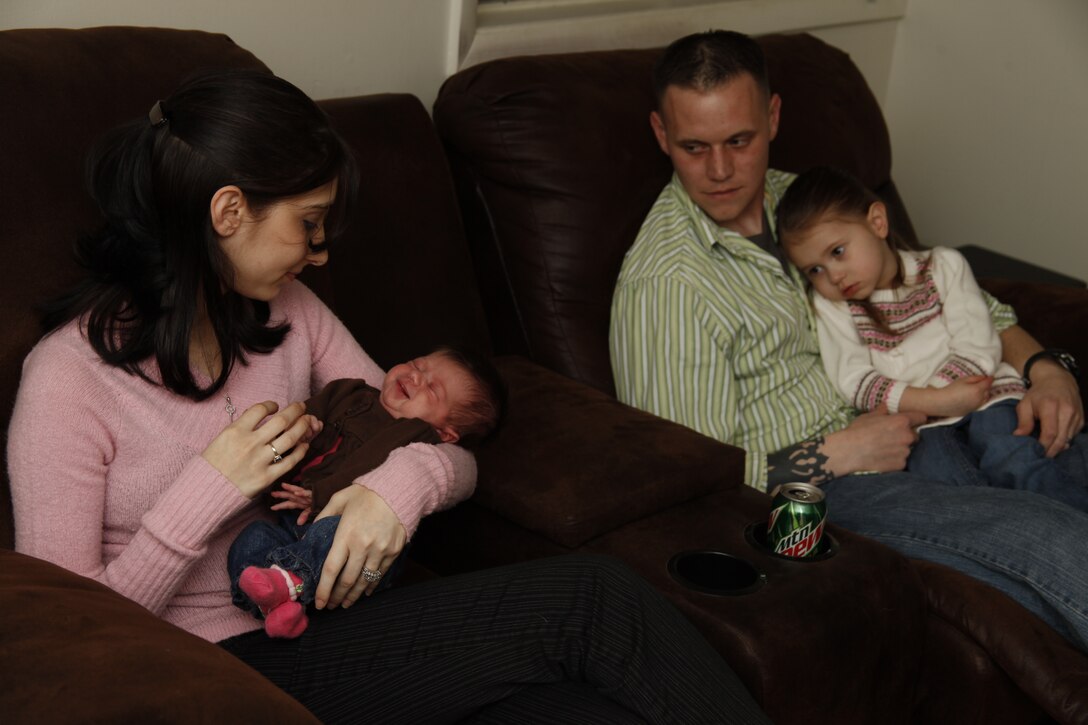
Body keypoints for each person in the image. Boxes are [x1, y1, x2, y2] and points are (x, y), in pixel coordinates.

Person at [8, 69, 772, 723]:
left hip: (328, 630)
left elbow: (444, 448)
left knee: (585, 712)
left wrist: (401, 486)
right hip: (212, 672)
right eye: (307, 225)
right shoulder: (68, 381)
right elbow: (68, 642)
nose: (321, 252)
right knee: (591, 597)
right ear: (229, 212)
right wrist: (206, 493)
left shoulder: (284, 314)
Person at [609, 29, 1088, 650]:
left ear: (773, 117)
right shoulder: (665, 285)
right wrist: (833, 453)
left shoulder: (800, 200)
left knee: (1051, 480)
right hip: (801, 503)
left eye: (740, 140)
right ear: (660, 135)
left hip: (919, 431)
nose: (721, 170)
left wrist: (1048, 369)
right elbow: (686, 486)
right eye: (693, 147)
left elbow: (956, 300)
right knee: (1049, 539)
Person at [776, 165, 1088, 511]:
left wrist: (945, 394)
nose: (833, 275)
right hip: (923, 427)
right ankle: (1019, 531)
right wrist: (933, 403)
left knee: (1010, 458)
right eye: (814, 270)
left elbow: (979, 345)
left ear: (877, 222)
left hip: (987, 398)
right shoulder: (833, 307)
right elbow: (855, 381)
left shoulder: (943, 267)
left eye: (837, 252)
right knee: (945, 483)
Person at [230, 345, 506, 638]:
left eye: (432, 389)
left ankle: (290, 582)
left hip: (357, 543)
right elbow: (306, 413)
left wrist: (320, 494)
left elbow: (366, 462)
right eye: (416, 363)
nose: (414, 377)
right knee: (253, 537)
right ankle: (278, 604)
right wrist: (302, 426)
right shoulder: (348, 391)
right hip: (290, 526)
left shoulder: (417, 434)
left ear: (446, 434)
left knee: (336, 535)